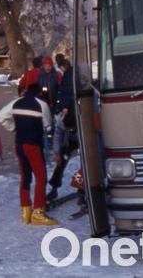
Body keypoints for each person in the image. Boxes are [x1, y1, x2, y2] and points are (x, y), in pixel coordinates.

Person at [0, 82, 58, 226]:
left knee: (25, 176)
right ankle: (38, 211)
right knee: (41, 177)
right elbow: (48, 125)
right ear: (39, 93)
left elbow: (0, 117)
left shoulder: (15, 102)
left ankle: (26, 211)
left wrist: (13, 128)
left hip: (19, 144)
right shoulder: (41, 104)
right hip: (33, 145)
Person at [48, 57, 79, 201]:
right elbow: (57, 137)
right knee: (63, 159)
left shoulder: (80, 119)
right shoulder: (61, 122)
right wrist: (57, 154)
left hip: (82, 136)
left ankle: (87, 189)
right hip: (72, 138)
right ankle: (54, 188)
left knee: (89, 161)